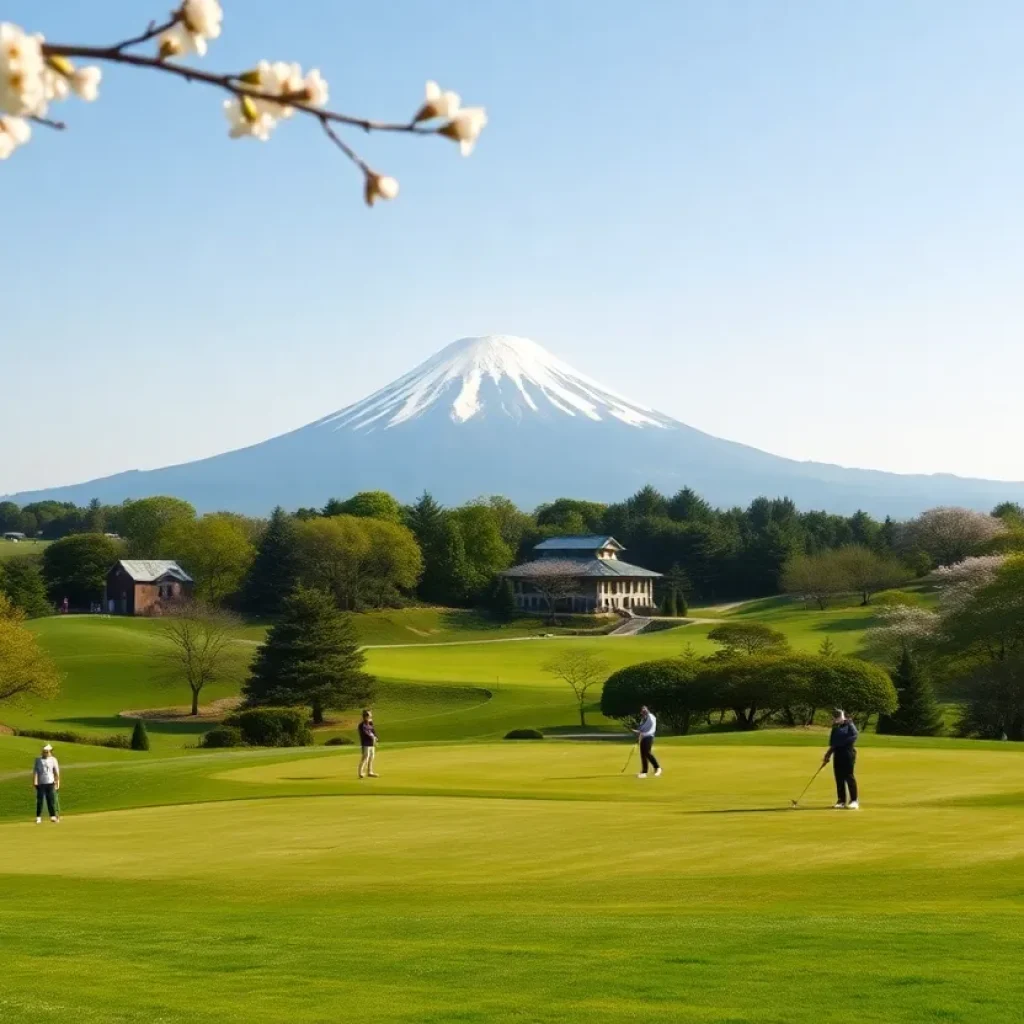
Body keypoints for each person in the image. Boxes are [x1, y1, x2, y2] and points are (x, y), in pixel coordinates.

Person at [823, 708, 858, 809]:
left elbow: (855, 735)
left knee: (849, 776)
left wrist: (846, 720)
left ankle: (854, 800)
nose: (834, 719)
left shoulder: (849, 726)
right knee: (839, 778)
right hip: (837, 754)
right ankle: (841, 800)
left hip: (848, 753)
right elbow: (833, 744)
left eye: (836, 717)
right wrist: (827, 755)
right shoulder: (835, 729)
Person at [32, 743, 60, 823]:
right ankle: (38, 817)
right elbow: (35, 772)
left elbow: (56, 772)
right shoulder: (38, 760)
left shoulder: (53, 760)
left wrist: (57, 783)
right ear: (42, 752)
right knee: (40, 800)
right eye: (45, 752)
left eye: (48, 752)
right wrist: (34, 781)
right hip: (41, 783)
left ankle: (53, 816)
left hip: (50, 782)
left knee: (50, 800)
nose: (47, 753)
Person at [632, 705, 661, 778]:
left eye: (645, 710)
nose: (644, 711)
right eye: (642, 710)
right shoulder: (643, 719)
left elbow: (646, 727)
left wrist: (638, 731)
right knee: (643, 755)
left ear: (647, 710)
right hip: (644, 737)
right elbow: (641, 729)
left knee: (647, 752)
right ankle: (644, 772)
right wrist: (639, 736)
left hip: (649, 736)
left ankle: (657, 768)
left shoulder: (651, 717)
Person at [357, 710, 379, 779]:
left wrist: (375, 737)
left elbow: (373, 731)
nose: (371, 716)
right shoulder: (361, 725)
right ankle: (360, 773)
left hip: (371, 742)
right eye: (369, 715)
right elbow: (365, 733)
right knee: (365, 757)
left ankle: (370, 772)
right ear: (365, 716)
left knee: (372, 756)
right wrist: (372, 737)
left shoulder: (370, 723)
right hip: (365, 743)